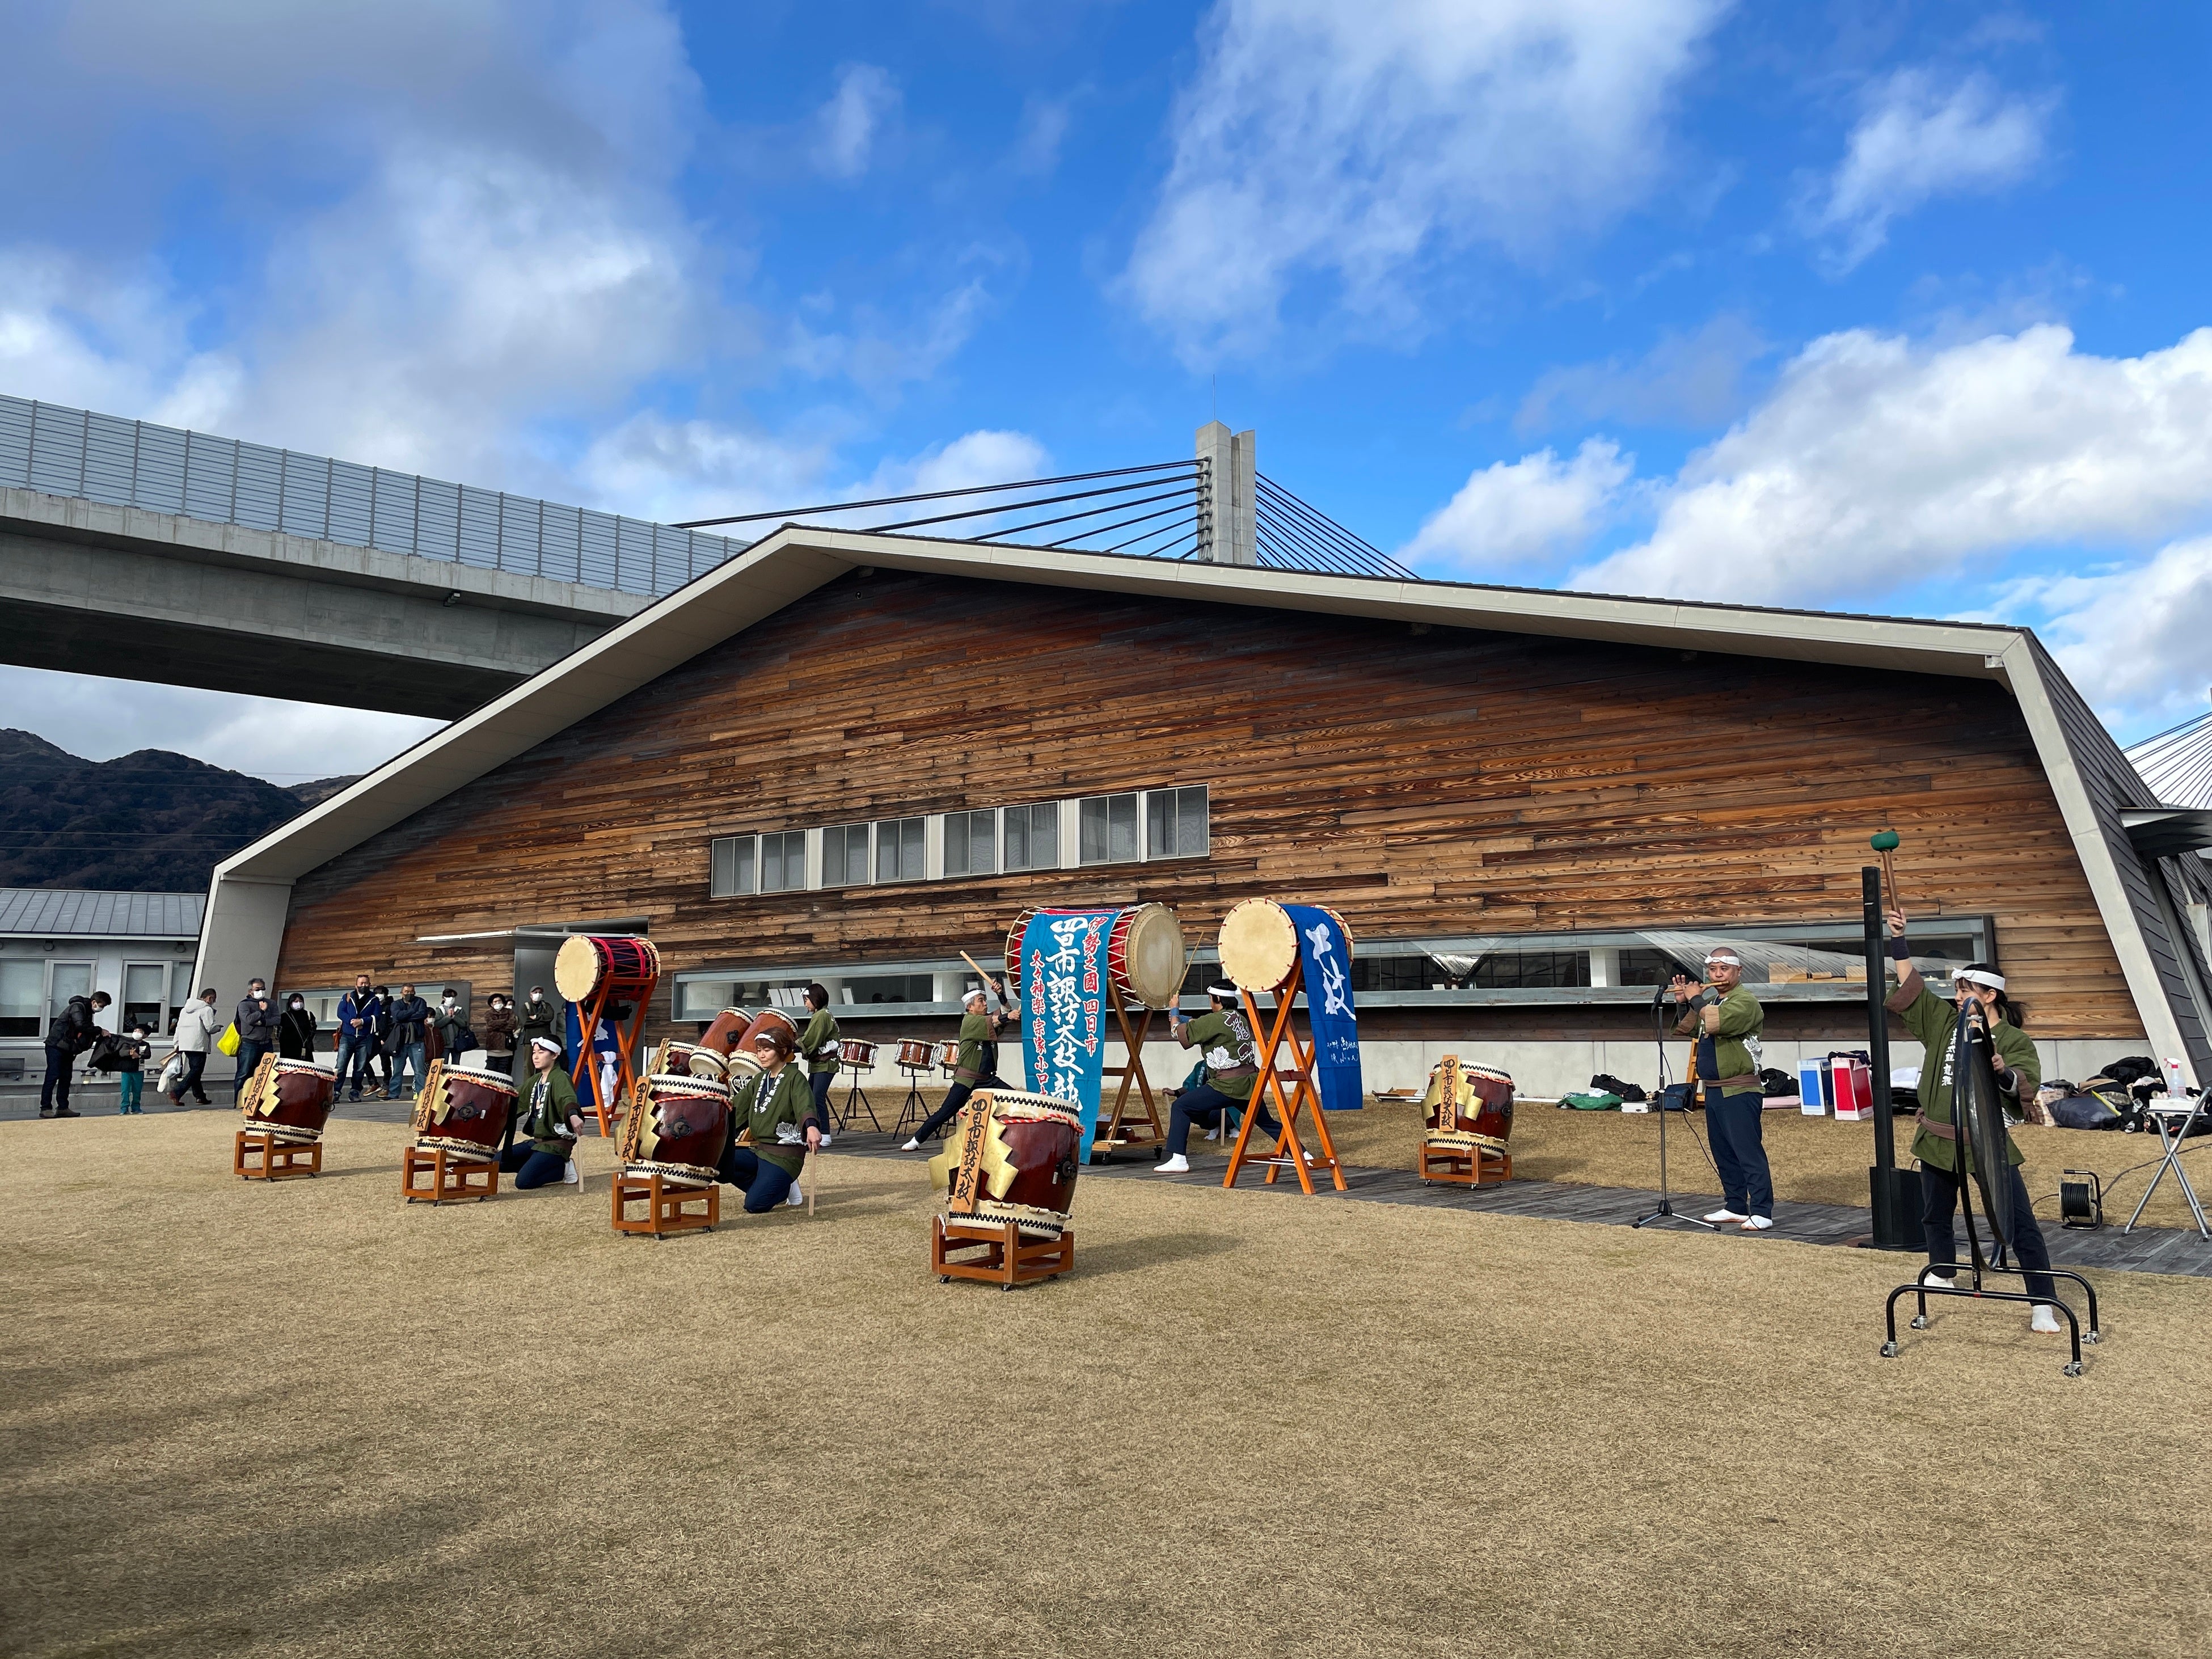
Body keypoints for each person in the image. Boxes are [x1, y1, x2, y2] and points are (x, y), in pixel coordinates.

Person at [1884, 908, 2063, 1333]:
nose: (1958, 994)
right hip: (1938, 1138)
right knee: (1935, 1213)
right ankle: (1943, 1269)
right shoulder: (1945, 1022)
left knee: (2017, 1221)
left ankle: (2042, 1301)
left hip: (1987, 1142)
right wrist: (1899, 940)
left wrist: (2002, 1072)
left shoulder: (2014, 1039)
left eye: (1967, 989)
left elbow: (2024, 1082)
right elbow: (1912, 989)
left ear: (1990, 995)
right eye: (1958, 987)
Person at [1670, 947, 1774, 1231]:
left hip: (1739, 1089)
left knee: (1747, 1150)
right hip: (1714, 1089)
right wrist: (1683, 1002)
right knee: (1723, 1151)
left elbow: (1715, 1023)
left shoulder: (1745, 1001)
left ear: (1738, 972)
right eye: (1713, 970)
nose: (1717, 975)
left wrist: (1696, 999)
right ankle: (1736, 1205)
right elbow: (1693, 1028)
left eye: (1724, 969)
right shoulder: (1714, 1000)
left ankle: (1763, 1210)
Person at [1154, 983, 1282, 1174]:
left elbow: (1177, 1032)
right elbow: (1204, 1024)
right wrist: (1183, 1018)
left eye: (1210, 999)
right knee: (1267, 1122)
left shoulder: (1214, 1020)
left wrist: (1174, 1009)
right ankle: (1304, 1155)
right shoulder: (1240, 1019)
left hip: (1225, 1084)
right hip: (1248, 1084)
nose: (1210, 1003)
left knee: (1181, 1106)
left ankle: (1178, 1159)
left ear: (1218, 1000)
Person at [718, 1025, 821, 1212]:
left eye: (767, 1050)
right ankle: (772, 1187)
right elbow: (736, 1107)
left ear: (782, 1051)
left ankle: (780, 1189)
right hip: (760, 1151)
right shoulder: (760, 1079)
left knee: (754, 1205)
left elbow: (804, 1104)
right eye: (759, 1051)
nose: (762, 1055)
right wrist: (717, 1106)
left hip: (784, 1157)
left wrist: (811, 1126)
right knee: (718, 1160)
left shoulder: (794, 1077)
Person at [901, 985, 1004, 1150]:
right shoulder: (970, 1021)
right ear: (969, 1007)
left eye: (985, 1000)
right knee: (946, 1112)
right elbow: (998, 1019)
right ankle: (916, 1140)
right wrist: (1008, 1016)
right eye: (981, 1001)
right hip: (967, 1079)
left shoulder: (986, 1020)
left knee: (1015, 1101)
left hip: (988, 1080)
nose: (985, 1004)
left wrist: (1001, 994)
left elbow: (1004, 1013)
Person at [500, 1037, 585, 1189]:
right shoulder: (535, 1080)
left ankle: (562, 1169)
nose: (536, 1056)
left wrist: (573, 1115)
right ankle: (537, 1164)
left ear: (555, 1055)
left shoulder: (561, 1078)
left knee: (523, 1182)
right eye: (534, 1052)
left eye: (541, 1052)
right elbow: (514, 1099)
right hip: (536, 1143)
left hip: (555, 1145)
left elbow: (568, 1098)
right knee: (496, 1161)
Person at [41, 988, 109, 1118]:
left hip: (68, 1048)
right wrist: (99, 1030)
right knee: (53, 1075)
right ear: (94, 1002)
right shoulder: (78, 1007)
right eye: (101, 1006)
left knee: (66, 1077)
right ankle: (45, 1108)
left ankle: (63, 1107)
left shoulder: (87, 1012)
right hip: (56, 1045)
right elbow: (81, 1026)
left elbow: (83, 1030)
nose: (101, 1009)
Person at [797, 982, 841, 1143]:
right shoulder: (821, 1015)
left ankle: (825, 1134)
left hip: (826, 1063)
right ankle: (812, 1132)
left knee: (817, 1098)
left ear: (816, 999)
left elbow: (810, 1040)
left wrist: (793, 1046)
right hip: (819, 1064)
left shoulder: (822, 1016)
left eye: (807, 1000)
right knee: (811, 1098)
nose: (806, 1004)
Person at [168, 988, 221, 1106]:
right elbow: (210, 1028)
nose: (213, 1002)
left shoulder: (184, 1010)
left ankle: (200, 1097)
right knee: (197, 1071)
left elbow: (179, 1027)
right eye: (214, 999)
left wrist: (176, 1043)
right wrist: (218, 1027)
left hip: (185, 1044)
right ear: (209, 998)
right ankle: (177, 1092)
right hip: (198, 1045)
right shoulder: (207, 1009)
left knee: (195, 1072)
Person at [334, 976, 381, 1102]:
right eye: (361, 983)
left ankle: (354, 1092)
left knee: (360, 1067)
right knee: (341, 1065)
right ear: (356, 985)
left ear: (370, 984)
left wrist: (362, 1021)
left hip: (364, 1038)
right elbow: (340, 1012)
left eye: (366, 983)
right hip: (347, 1037)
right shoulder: (347, 997)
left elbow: (377, 1016)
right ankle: (335, 1092)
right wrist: (353, 1021)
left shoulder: (374, 999)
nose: (364, 985)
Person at [233, 978, 281, 1098]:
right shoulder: (244, 1004)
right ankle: (239, 1101)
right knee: (244, 1073)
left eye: (263, 989)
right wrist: (261, 1011)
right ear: (250, 991)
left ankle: (259, 1102)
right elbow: (248, 1020)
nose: (261, 991)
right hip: (250, 1043)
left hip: (266, 1043)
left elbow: (277, 1019)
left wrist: (263, 1022)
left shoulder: (272, 1003)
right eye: (257, 989)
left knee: (265, 1073)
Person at [386, 983, 431, 1101]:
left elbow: (422, 1014)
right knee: (397, 1070)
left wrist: (405, 1016)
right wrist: (413, 1013)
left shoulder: (421, 1001)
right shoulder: (396, 1004)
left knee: (419, 1070)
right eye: (406, 992)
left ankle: (421, 1095)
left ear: (415, 992)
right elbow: (397, 1016)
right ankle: (393, 1094)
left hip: (417, 1042)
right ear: (401, 993)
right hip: (400, 1042)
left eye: (411, 991)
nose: (409, 994)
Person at [513, 986, 559, 1090]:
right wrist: (542, 1020)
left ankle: (541, 1087)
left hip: (544, 1041)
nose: (538, 994)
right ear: (530, 994)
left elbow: (550, 1017)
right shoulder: (525, 1006)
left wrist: (535, 1017)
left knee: (543, 1065)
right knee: (528, 1066)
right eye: (535, 992)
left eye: (540, 992)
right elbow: (525, 1022)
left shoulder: (546, 1006)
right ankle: (527, 1089)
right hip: (529, 1041)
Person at [113, 1023, 154, 1115]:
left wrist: (138, 1055)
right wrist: (130, 1052)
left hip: (139, 1070)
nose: (136, 1033)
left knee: (137, 1090)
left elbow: (148, 1055)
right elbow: (122, 1052)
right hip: (126, 1070)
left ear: (145, 1035)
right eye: (135, 1031)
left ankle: (136, 1107)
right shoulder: (127, 1042)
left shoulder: (146, 1045)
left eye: (140, 1031)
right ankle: (124, 1108)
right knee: (125, 1090)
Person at [432, 990, 472, 1064]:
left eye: (453, 996)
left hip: (457, 1042)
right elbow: (437, 1024)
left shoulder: (459, 1010)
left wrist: (454, 1017)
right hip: (444, 1043)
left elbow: (464, 1024)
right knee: (444, 1065)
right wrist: (448, 1017)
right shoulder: (439, 1010)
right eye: (448, 996)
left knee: (456, 1066)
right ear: (443, 998)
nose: (451, 998)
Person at [482, 993, 517, 1077]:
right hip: (493, 1045)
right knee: (491, 1069)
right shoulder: (488, 1013)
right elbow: (490, 1025)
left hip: (507, 1046)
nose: (497, 1003)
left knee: (503, 1070)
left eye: (499, 1001)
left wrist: (497, 1027)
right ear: (491, 1004)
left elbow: (512, 1025)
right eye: (495, 1002)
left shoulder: (510, 1012)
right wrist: (504, 1021)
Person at [278, 994, 319, 1061]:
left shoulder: (309, 1015)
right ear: (290, 1003)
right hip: (287, 1049)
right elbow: (278, 1034)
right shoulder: (283, 1016)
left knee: (306, 1070)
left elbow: (313, 1030)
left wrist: (308, 1040)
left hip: (305, 1048)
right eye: (296, 1001)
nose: (298, 1003)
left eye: (300, 1001)